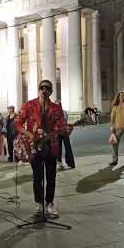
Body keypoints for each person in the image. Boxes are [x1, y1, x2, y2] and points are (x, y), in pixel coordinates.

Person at [15, 80, 72, 219]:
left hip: (51, 146)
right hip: (34, 146)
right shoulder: (29, 105)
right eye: (42, 87)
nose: (44, 90)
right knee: (37, 177)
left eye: (47, 88)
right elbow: (17, 124)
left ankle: (50, 204)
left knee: (51, 177)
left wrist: (67, 130)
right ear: (38, 90)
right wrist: (30, 135)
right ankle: (39, 204)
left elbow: (62, 126)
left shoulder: (56, 108)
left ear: (51, 91)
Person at [109, 91, 124, 166]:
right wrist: (112, 126)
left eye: (123, 96)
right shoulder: (115, 106)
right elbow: (112, 118)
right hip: (117, 128)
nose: (122, 97)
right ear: (118, 97)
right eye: (120, 96)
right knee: (114, 145)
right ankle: (114, 160)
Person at [54, 101, 75, 171]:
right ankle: (59, 163)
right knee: (58, 148)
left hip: (64, 132)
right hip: (57, 132)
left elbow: (65, 120)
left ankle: (71, 163)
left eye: (58, 105)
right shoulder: (54, 113)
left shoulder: (64, 112)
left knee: (67, 146)